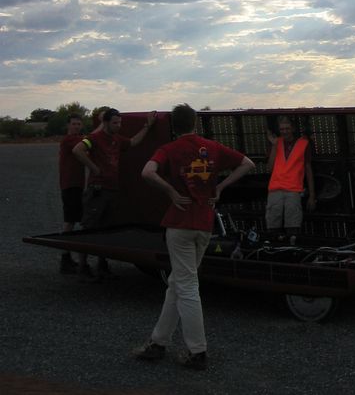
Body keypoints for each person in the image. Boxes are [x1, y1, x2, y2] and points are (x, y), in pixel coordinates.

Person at [133, 103, 255, 370]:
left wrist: (170, 192)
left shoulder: (170, 149)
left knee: (186, 286)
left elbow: (147, 172)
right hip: (204, 224)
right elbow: (247, 163)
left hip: (179, 224)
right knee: (178, 283)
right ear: (195, 123)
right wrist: (220, 186)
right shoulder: (211, 148)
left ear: (174, 127)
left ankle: (197, 350)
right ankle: (158, 342)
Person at [72, 107, 157, 279]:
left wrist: (147, 127)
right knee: (89, 228)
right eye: (115, 123)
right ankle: (83, 266)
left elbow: (133, 142)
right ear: (105, 122)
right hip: (97, 190)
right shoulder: (94, 139)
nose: (119, 126)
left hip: (111, 190)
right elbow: (77, 150)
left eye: (120, 122)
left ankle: (102, 264)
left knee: (106, 229)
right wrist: (94, 168)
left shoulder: (117, 140)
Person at [265, 116, 316, 237]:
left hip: (293, 190)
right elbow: (269, 168)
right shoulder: (276, 143)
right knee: (273, 225)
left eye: (287, 128)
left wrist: (312, 196)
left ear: (293, 129)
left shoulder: (303, 144)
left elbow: (308, 170)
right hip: (275, 189)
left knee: (293, 226)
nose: (284, 131)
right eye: (282, 129)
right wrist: (273, 146)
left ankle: (292, 248)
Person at [58, 114, 85, 274]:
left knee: (73, 220)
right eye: (74, 124)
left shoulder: (78, 139)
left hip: (77, 185)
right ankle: (65, 258)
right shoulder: (69, 141)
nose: (76, 126)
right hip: (70, 185)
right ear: (68, 126)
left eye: (79, 124)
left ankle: (67, 257)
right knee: (69, 221)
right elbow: (89, 142)